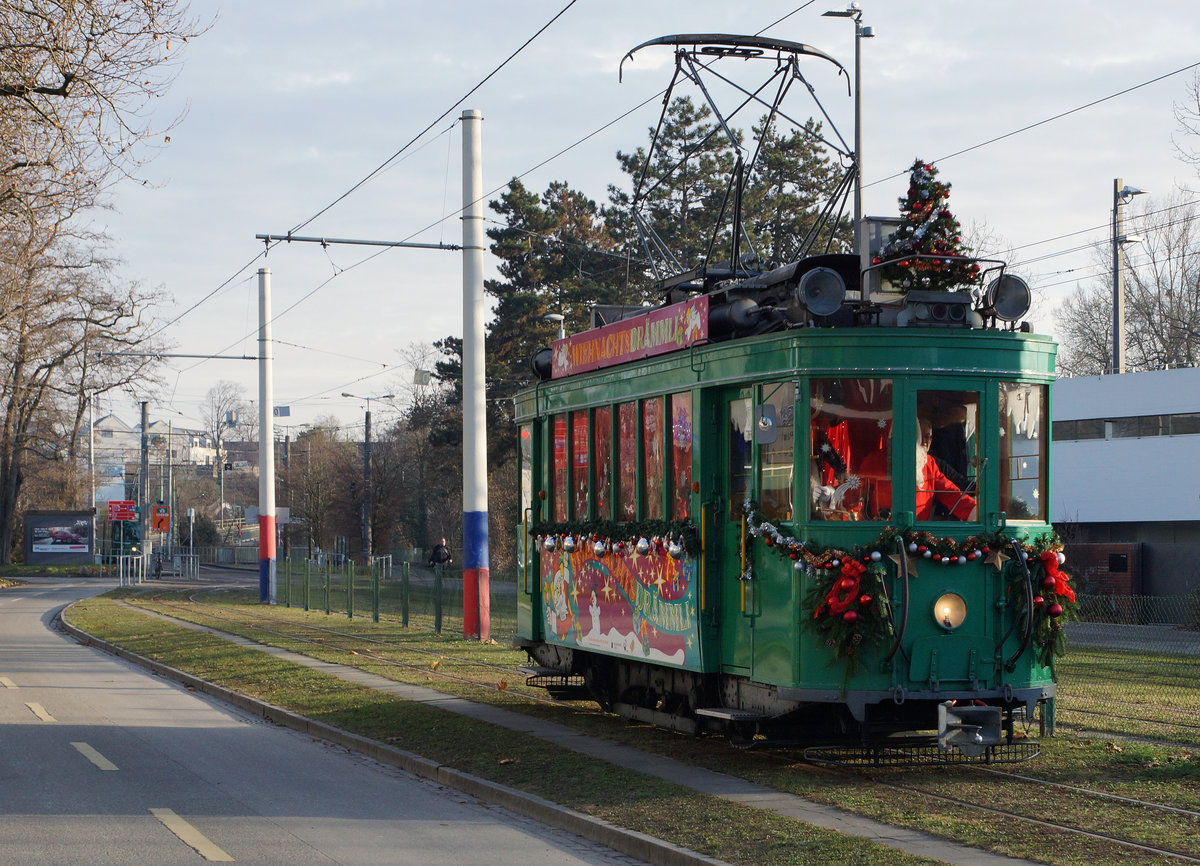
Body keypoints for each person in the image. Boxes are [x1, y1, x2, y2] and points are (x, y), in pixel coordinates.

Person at [857, 417, 976, 521]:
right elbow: (856, 495)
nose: (924, 441)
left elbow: (950, 493)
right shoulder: (873, 461)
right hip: (881, 531)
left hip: (918, 532)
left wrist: (975, 512)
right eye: (919, 435)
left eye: (927, 437)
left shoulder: (929, 463)